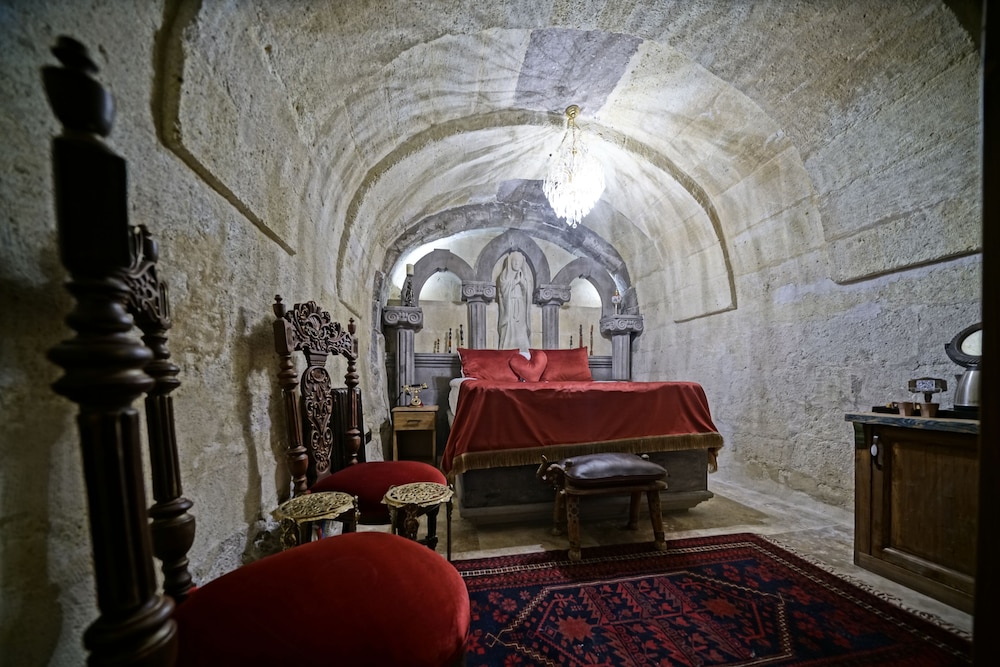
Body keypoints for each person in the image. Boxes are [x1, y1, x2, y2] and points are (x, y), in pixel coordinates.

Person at [497, 251, 531, 351]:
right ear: (510, 262)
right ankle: (507, 347)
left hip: (520, 305)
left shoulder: (523, 276)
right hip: (509, 304)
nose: (516, 263)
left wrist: (522, 282)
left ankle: (523, 348)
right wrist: (515, 281)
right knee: (509, 326)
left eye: (519, 261)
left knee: (521, 327)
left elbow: (527, 291)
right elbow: (503, 289)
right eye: (514, 261)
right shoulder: (504, 275)